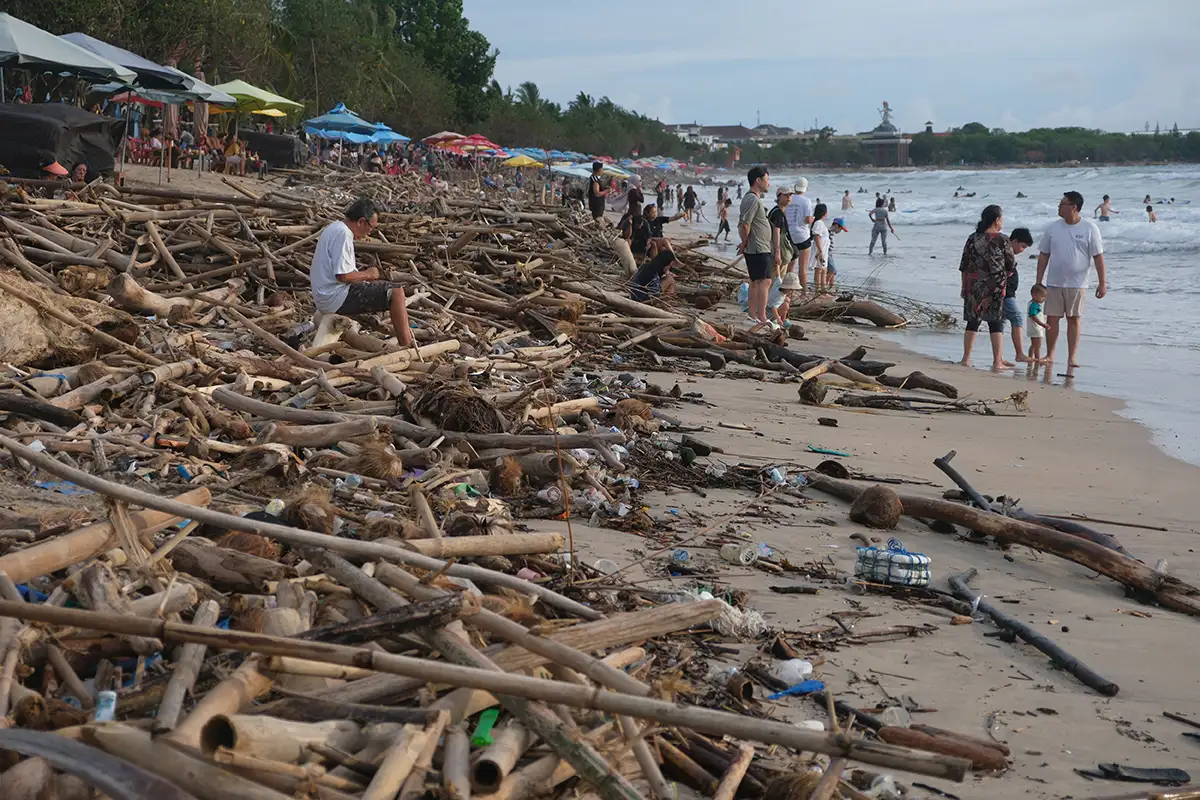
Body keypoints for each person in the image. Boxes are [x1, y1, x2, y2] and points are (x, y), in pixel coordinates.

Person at [310, 198, 412, 347]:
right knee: (396, 292)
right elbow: (343, 276)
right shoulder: (343, 234)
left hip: (327, 295)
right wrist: (368, 274)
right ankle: (407, 346)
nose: (369, 233)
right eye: (370, 228)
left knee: (381, 290)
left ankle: (402, 335)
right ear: (361, 221)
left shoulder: (336, 228)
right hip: (334, 296)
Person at [1037, 191, 1107, 368]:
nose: (1059, 207)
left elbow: (1098, 257)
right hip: (1054, 282)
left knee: (1073, 319)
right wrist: (1039, 281)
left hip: (1077, 283)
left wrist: (1102, 283)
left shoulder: (1090, 228)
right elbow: (1044, 255)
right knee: (1052, 319)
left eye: (1062, 204)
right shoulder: (1053, 228)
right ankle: (1050, 355)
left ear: (1074, 207)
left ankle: (1071, 358)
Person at [958, 205, 1016, 371]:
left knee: (972, 321)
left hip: (973, 284)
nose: (1002, 221)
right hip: (995, 285)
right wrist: (1004, 279)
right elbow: (1010, 265)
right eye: (1001, 218)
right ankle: (997, 361)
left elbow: (964, 265)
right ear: (996, 219)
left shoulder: (972, 238)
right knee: (995, 322)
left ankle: (966, 358)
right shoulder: (1002, 240)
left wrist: (964, 286)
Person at [738, 166, 773, 329]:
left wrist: (745, 243)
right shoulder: (752, 199)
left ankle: (753, 315)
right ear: (758, 181)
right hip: (758, 247)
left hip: (758, 246)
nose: (769, 184)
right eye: (767, 180)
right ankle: (761, 316)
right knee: (763, 281)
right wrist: (745, 242)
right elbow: (745, 224)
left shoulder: (751, 198)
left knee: (756, 281)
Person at [998, 227, 1035, 361]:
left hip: (1008, 292)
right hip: (1005, 293)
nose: (1022, 250)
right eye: (1022, 246)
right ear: (1014, 241)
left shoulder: (1007, 252)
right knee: (1017, 318)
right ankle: (1019, 354)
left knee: (1000, 323)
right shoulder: (1005, 252)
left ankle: (999, 357)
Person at [784, 178, 814, 290]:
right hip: (802, 236)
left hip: (789, 236)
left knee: (790, 266)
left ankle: (787, 290)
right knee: (803, 268)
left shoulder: (789, 199)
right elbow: (808, 220)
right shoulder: (806, 201)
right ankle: (804, 292)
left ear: (795, 187)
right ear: (805, 188)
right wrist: (812, 219)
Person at [768, 186, 794, 279]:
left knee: (776, 276)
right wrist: (778, 252)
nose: (789, 197)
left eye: (790, 195)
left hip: (776, 248)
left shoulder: (777, 211)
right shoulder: (778, 214)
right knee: (775, 277)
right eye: (786, 195)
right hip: (777, 249)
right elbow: (776, 232)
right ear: (779, 197)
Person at [810, 203, 831, 294]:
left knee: (823, 269)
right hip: (820, 248)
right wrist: (820, 251)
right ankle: (818, 289)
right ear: (824, 212)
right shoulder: (818, 223)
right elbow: (817, 237)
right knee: (819, 269)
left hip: (824, 249)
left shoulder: (820, 222)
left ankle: (823, 288)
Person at [1026, 283, 1049, 362]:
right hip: (1036, 328)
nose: (1044, 299)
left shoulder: (1031, 303)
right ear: (1034, 295)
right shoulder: (1034, 305)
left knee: (1033, 345)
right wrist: (1043, 324)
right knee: (1038, 345)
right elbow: (1033, 315)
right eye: (1042, 297)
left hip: (1032, 328)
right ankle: (1037, 359)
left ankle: (1030, 357)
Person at [827, 217, 848, 289]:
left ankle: (831, 288)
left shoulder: (831, 232)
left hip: (829, 253)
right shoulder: (828, 232)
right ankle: (824, 288)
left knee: (832, 271)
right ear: (836, 226)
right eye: (841, 229)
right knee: (832, 270)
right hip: (827, 253)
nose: (840, 231)